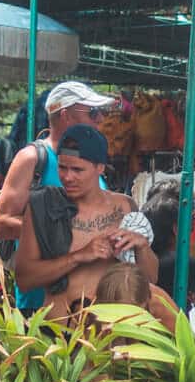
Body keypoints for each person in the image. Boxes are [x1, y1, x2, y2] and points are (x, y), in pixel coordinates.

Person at [11, 124, 153, 314]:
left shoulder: (125, 207)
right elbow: (24, 279)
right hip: (59, 334)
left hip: (111, 334)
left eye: (78, 170)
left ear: (100, 168)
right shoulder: (44, 206)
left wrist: (142, 247)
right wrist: (78, 257)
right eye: (62, 167)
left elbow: (150, 280)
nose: (68, 177)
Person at [0, 80, 118, 253]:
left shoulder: (92, 161)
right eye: (92, 112)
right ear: (65, 115)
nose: (100, 119)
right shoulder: (31, 158)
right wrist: (65, 235)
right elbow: (2, 223)